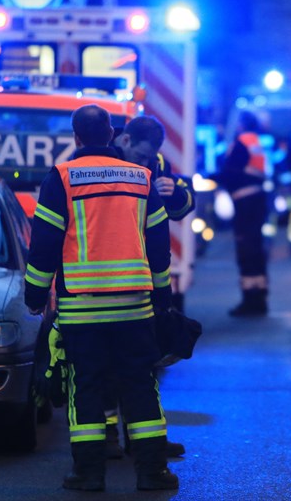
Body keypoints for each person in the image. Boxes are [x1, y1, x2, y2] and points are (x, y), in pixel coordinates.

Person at [23, 105, 178, 492]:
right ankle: (152, 472)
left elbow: (44, 242)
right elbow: (159, 244)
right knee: (140, 385)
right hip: (134, 307)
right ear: (111, 134)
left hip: (82, 310)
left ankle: (89, 474)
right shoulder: (141, 177)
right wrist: (163, 296)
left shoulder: (62, 178)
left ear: (76, 138)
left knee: (86, 387)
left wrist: (35, 296)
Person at [109, 114, 195, 458]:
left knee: (145, 364)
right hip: (106, 275)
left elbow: (184, 206)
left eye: (149, 158)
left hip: (141, 274)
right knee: (105, 367)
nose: (145, 163)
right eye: (141, 156)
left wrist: (174, 193)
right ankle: (106, 440)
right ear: (125, 140)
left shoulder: (157, 163)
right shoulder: (103, 162)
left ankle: (144, 441)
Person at [215, 111, 270, 317]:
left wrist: (212, 178)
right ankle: (260, 297)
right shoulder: (255, 141)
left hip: (245, 203)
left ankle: (250, 299)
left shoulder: (241, 143)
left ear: (241, 124)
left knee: (246, 250)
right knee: (256, 250)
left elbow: (230, 172)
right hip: (256, 200)